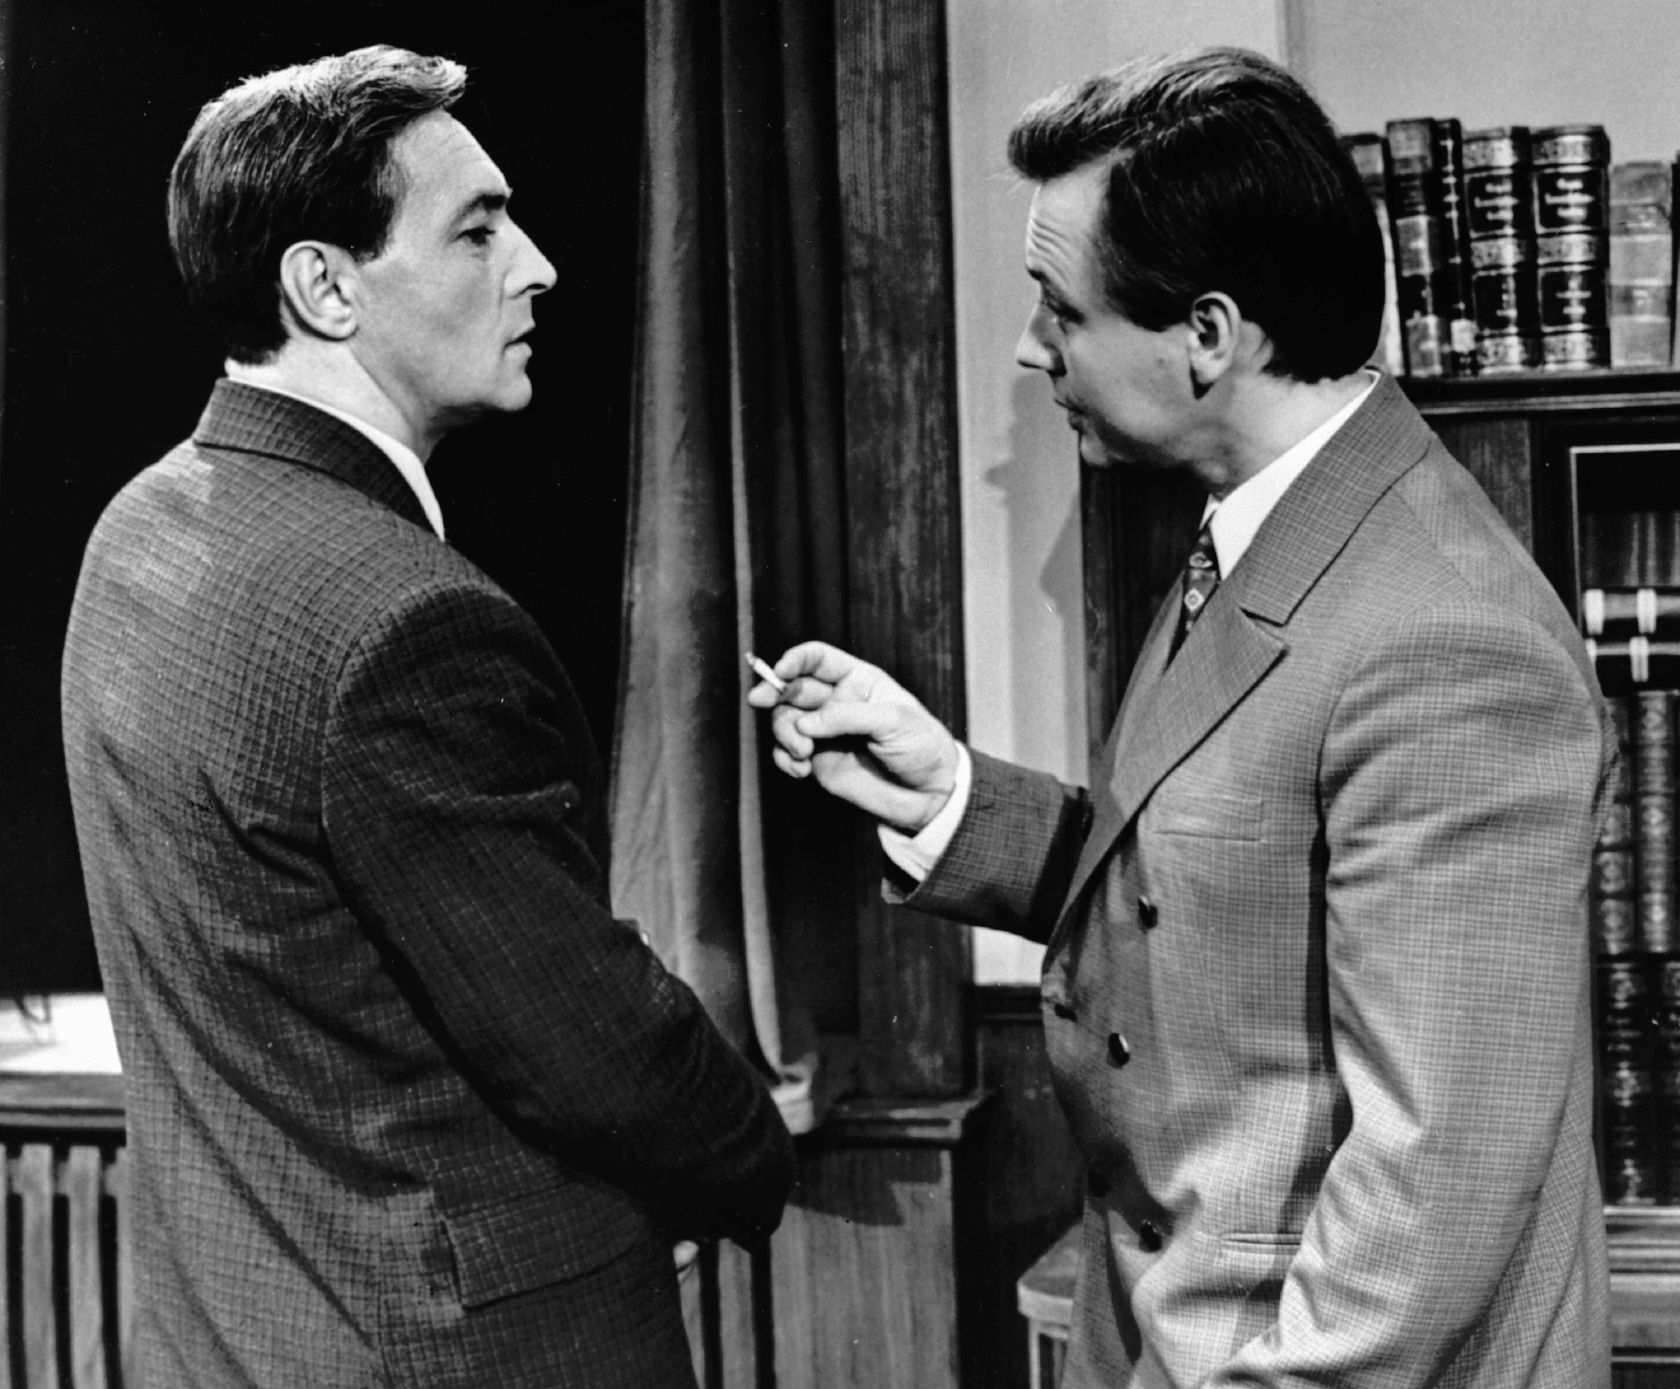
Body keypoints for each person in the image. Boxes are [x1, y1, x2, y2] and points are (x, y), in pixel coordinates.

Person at [751, 47, 1611, 1388]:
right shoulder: (1273, 529)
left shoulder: (1447, 638)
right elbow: (1213, 900)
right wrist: (950, 799)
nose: (1032, 347)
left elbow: (1432, 1191)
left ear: (1208, 335)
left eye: (1060, 307)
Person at [62, 45, 793, 1389]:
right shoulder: (408, 623)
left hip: (238, 1339)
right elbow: (593, 1048)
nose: (538, 266)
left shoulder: (137, 531)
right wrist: (758, 1156)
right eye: (477, 229)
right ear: (325, 287)